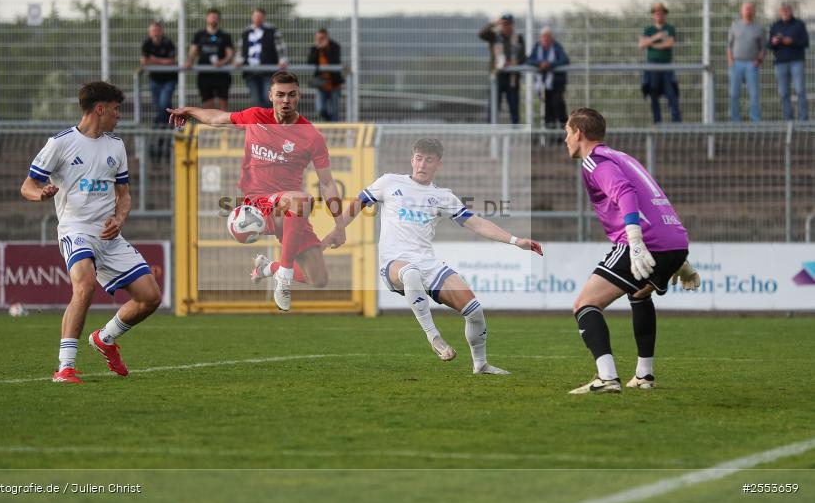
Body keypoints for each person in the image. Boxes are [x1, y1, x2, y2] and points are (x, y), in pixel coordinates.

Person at [322, 138, 543, 375]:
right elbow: (358, 204)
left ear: (439, 164)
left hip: (429, 263)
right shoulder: (389, 182)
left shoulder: (443, 197)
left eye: (429, 160)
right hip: (394, 264)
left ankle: (481, 364)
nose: (422, 164)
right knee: (411, 273)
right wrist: (339, 229)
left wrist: (515, 241)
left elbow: (476, 223)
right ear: (411, 159)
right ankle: (433, 336)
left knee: (475, 311)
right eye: (418, 158)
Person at [20, 81, 162, 384]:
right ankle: (65, 367)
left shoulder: (116, 146)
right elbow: (27, 185)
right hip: (76, 230)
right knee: (84, 286)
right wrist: (41, 194)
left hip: (109, 236)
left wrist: (120, 218)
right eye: (116, 108)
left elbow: (124, 194)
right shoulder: (60, 143)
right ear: (100, 109)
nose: (119, 114)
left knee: (150, 298)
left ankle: (105, 338)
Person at [168, 71, 343, 312]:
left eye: (291, 95)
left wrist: (340, 226)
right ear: (270, 95)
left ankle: (270, 268)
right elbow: (217, 118)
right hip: (255, 204)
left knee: (319, 279)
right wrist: (189, 110)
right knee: (301, 199)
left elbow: (327, 183)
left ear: (299, 96)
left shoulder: (312, 136)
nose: (286, 100)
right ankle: (284, 275)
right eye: (280, 95)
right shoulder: (255, 116)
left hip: (287, 211)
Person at [563, 108, 700, 395]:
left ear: (578, 133)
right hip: (673, 241)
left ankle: (607, 378)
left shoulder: (595, 162)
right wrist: (680, 261)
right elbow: (655, 199)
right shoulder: (622, 157)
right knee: (639, 293)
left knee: (584, 305)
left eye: (567, 133)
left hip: (645, 242)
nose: (565, 140)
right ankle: (644, 375)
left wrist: (635, 241)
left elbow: (625, 193)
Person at [141, 21, 178, 161]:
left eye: (157, 30)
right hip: (155, 81)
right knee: (160, 110)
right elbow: (144, 62)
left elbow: (172, 61)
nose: (155, 33)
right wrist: (162, 61)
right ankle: (164, 135)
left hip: (169, 80)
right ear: (150, 32)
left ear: (161, 31)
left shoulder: (168, 43)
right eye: (153, 30)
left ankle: (161, 134)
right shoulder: (147, 44)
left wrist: (155, 60)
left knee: (163, 105)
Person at [479, 13, 526, 124]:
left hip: (512, 78)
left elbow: (523, 56)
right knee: (494, 107)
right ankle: (492, 135)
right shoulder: (494, 35)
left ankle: (515, 134)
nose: (506, 26)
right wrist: (493, 23)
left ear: (512, 25)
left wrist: (512, 63)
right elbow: (481, 34)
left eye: (508, 24)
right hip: (497, 76)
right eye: (504, 24)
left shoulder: (518, 38)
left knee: (514, 108)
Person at [184, 9, 234, 110]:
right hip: (204, 74)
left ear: (219, 19)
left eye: (215, 17)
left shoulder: (225, 36)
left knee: (223, 103)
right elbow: (193, 51)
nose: (213, 19)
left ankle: (223, 125)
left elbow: (230, 53)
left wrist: (222, 62)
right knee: (207, 103)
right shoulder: (199, 35)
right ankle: (211, 125)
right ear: (207, 18)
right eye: (211, 17)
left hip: (222, 74)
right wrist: (189, 61)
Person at [639, 3, 681, 124]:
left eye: (661, 13)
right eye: (656, 13)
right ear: (653, 15)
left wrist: (652, 44)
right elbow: (641, 44)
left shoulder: (669, 28)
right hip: (652, 66)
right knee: (653, 94)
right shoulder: (649, 30)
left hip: (666, 66)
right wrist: (656, 37)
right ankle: (657, 123)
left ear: (665, 14)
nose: (659, 15)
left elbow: (670, 43)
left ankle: (676, 122)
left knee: (671, 93)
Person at [238, 8, 287, 107]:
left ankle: (269, 121)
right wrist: (238, 60)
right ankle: (259, 121)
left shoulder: (272, 31)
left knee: (268, 97)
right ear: (252, 17)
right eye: (256, 16)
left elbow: (280, 47)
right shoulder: (246, 32)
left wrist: (282, 60)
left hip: (268, 70)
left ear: (264, 17)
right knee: (255, 100)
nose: (258, 18)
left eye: (260, 16)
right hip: (250, 71)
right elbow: (241, 49)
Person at [727, 3, 767, 122]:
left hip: (752, 64)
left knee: (753, 94)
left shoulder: (759, 28)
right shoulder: (734, 26)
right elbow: (729, 46)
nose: (748, 11)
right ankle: (735, 121)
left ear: (753, 11)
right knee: (734, 94)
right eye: (746, 9)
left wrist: (758, 61)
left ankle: (755, 121)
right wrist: (730, 61)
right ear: (741, 11)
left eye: (750, 9)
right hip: (736, 64)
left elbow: (763, 48)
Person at [769, 3, 809, 121]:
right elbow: (769, 45)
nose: (785, 12)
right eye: (783, 10)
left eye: (787, 10)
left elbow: (806, 43)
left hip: (797, 61)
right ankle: (788, 120)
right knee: (783, 93)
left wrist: (791, 41)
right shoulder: (775, 26)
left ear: (791, 11)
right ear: (780, 12)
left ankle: (803, 120)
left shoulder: (799, 24)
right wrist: (774, 42)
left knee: (800, 90)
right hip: (780, 63)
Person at [527, 27, 570, 129]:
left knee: (557, 104)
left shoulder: (557, 47)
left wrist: (550, 65)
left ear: (551, 38)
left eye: (547, 37)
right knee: (547, 107)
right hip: (543, 83)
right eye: (543, 37)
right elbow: (529, 60)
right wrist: (540, 64)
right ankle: (550, 133)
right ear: (540, 38)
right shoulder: (537, 47)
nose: (545, 40)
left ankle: (563, 129)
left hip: (557, 83)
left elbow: (565, 60)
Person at [306, 29, 344, 122]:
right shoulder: (315, 48)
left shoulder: (334, 47)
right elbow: (310, 62)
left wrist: (325, 48)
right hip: (321, 85)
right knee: (321, 109)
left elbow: (334, 61)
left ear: (327, 38)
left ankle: (334, 128)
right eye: (318, 38)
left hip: (334, 84)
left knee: (334, 111)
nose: (319, 40)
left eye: (322, 38)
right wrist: (318, 48)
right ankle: (328, 121)